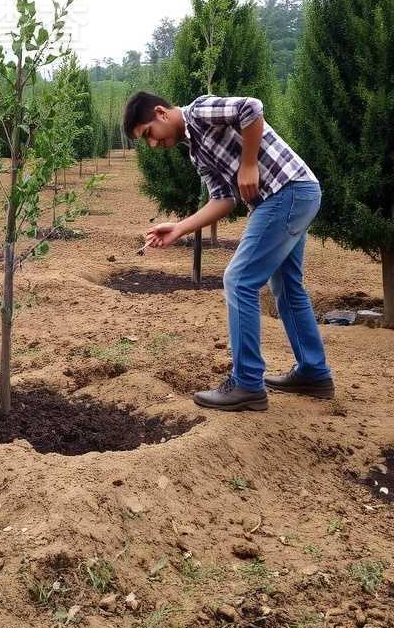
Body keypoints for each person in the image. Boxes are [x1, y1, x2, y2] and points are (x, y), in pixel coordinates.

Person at [123, 92, 334, 412]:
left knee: (239, 279)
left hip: (287, 191)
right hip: (293, 194)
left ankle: (247, 383)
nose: (153, 145)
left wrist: (248, 165)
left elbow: (251, 108)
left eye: (149, 134)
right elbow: (224, 199)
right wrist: (180, 228)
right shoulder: (196, 153)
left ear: (161, 114)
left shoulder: (201, 111)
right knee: (287, 286)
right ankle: (313, 373)